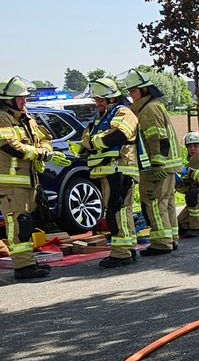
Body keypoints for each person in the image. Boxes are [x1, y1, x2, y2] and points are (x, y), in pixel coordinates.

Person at [0, 76, 70, 280]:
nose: (24, 101)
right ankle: (23, 267)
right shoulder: (2, 118)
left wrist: (45, 149)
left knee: (27, 223)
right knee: (18, 224)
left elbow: (45, 138)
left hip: (28, 182)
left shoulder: (26, 117)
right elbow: (10, 146)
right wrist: (41, 154)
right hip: (10, 184)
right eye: (20, 98)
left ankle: (28, 262)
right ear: (7, 99)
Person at [117, 68, 182, 256]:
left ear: (144, 90)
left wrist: (156, 165)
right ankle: (171, 238)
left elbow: (157, 139)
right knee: (166, 202)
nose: (131, 95)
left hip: (156, 167)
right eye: (129, 92)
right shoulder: (153, 106)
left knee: (154, 203)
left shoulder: (148, 110)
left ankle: (161, 242)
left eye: (133, 91)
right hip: (167, 166)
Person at [81, 77, 140, 269]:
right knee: (120, 210)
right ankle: (128, 248)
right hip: (108, 170)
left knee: (118, 210)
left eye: (101, 100)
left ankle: (121, 253)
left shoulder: (124, 112)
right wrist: (91, 142)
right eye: (96, 100)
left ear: (112, 98)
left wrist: (94, 141)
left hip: (120, 169)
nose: (98, 103)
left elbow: (119, 135)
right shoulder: (99, 119)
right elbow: (85, 141)